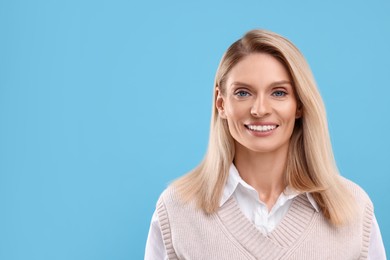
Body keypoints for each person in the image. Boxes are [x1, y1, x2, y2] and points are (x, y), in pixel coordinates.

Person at [144, 29, 386, 259]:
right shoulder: (177, 210)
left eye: (279, 93)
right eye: (243, 93)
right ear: (221, 103)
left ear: (299, 105)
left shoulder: (354, 208)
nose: (260, 110)